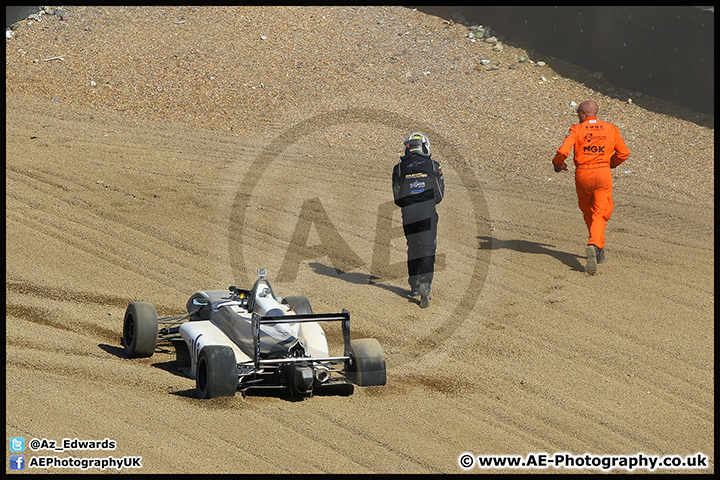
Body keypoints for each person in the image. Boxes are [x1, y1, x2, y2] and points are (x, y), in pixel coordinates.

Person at [552, 100, 630, 275]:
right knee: (600, 212)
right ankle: (595, 245)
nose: (578, 116)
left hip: (583, 175)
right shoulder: (611, 128)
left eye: (578, 112)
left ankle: (598, 249)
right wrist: (610, 164)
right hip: (603, 174)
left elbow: (563, 151)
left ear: (584, 114)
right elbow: (624, 153)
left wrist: (557, 163)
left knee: (588, 211)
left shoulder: (576, 129)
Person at [392, 132, 445, 307]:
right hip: (426, 212)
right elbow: (439, 195)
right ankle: (425, 283)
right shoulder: (433, 165)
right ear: (424, 146)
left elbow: (397, 198)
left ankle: (414, 286)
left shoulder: (398, 169)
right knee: (428, 248)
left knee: (413, 247)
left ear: (408, 148)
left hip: (408, 213)